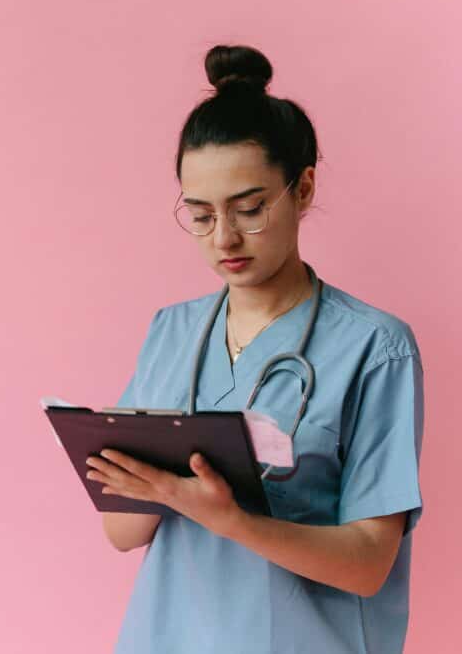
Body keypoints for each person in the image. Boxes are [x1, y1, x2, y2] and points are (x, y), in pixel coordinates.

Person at [85, 44, 424, 654]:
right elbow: (122, 532)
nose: (225, 238)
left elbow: (369, 562)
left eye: (249, 209)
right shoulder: (172, 332)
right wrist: (154, 482)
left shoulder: (376, 347)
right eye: (201, 216)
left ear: (303, 188)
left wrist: (231, 519)